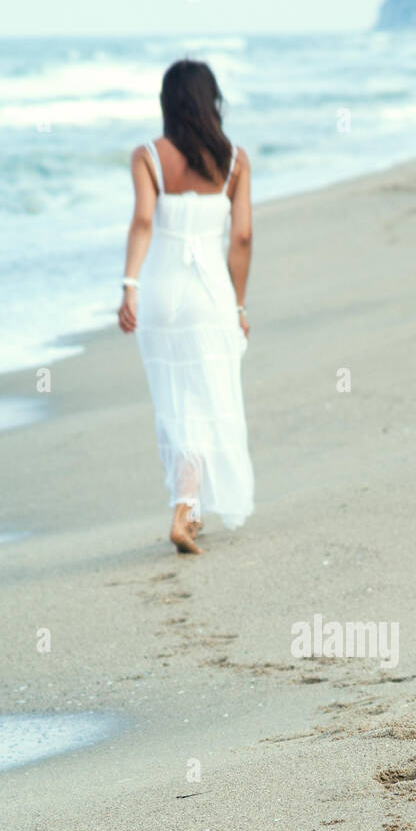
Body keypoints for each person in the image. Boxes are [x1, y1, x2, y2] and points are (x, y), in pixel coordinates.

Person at [118, 60, 254, 554]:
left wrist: (130, 285)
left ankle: (188, 507)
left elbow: (142, 223)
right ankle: (185, 509)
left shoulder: (148, 156)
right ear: (211, 101)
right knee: (207, 398)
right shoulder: (236, 161)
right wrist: (239, 305)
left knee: (174, 402)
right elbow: (241, 237)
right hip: (210, 293)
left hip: (160, 292)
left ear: (167, 102)